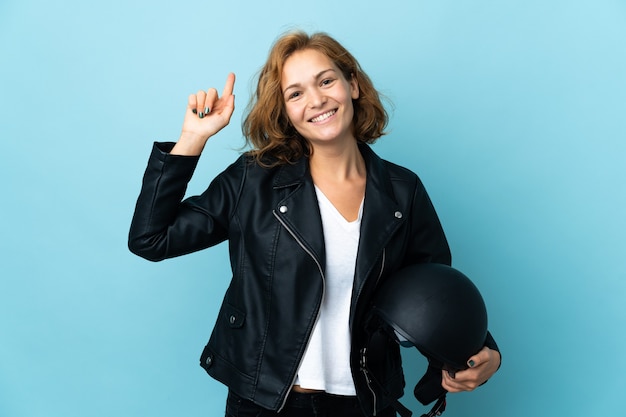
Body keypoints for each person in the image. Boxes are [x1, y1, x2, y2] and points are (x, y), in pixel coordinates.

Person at [129, 31, 501, 417]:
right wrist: (192, 138)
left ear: (352, 84)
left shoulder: (402, 191)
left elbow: (435, 290)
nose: (317, 100)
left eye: (326, 81)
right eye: (295, 93)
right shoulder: (252, 181)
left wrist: (483, 353)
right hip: (265, 402)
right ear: (285, 112)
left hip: (366, 402)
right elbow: (151, 239)